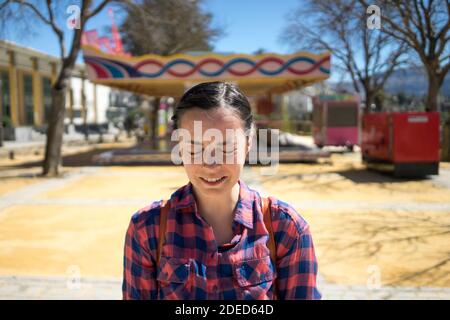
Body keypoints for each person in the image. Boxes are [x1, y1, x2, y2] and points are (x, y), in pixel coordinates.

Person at [122, 81, 321, 300]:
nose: (210, 163)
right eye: (195, 147)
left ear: (248, 143)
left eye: (226, 147)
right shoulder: (147, 229)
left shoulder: (286, 229)